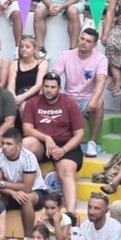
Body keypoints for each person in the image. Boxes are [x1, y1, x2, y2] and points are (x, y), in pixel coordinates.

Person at [21, 72, 85, 218]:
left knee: (67, 170)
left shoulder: (69, 103)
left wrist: (63, 150)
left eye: (53, 87)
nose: (49, 90)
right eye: (46, 86)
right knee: (25, 144)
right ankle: (20, 193)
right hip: (42, 142)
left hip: (65, 144)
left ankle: (71, 213)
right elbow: (27, 129)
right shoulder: (32, 103)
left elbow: (79, 134)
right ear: (42, 87)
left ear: (59, 88)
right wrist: (47, 138)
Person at [53, 28, 108, 158]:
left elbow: (101, 82)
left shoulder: (100, 59)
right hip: (68, 99)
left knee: (99, 102)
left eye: (88, 41)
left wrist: (93, 100)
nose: (84, 42)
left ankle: (92, 142)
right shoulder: (66, 55)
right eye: (82, 39)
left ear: (94, 45)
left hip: (87, 100)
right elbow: (55, 74)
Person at [0, 128, 50, 238]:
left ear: (19, 146)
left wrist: (2, 184)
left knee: (26, 198)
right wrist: (13, 193)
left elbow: (27, 187)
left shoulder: (28, 157)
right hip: (9, 193)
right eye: (3, 143)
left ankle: (28, 239)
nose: (4, 147)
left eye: (9, 144)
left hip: (35, 191)